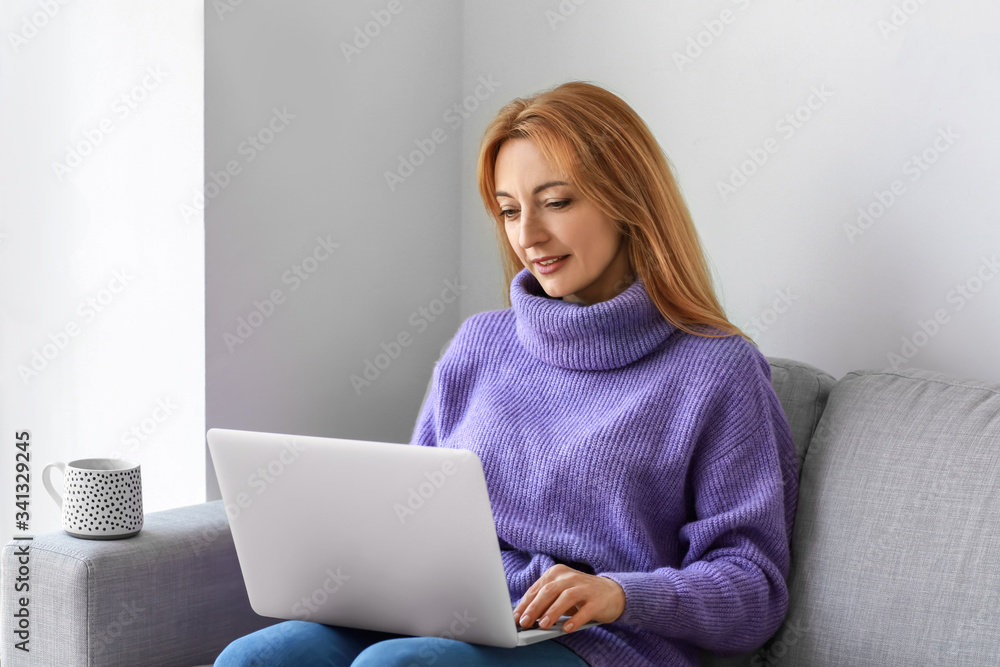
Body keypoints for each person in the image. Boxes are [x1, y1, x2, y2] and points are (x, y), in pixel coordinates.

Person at [215, 80, 798, 667]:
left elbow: (754, 591)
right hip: (449, 617)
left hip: (605, 643)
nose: (528, 236)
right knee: (257, 658)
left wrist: (621, 595)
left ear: (629, 201)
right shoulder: (479, 345)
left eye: (557, 202)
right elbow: (412, 522)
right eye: (511, 210)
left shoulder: (718, 370)